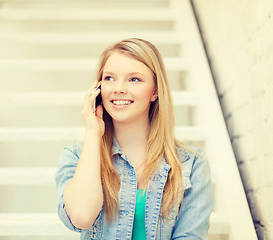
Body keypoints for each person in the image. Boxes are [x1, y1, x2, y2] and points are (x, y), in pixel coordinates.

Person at [55, 38, 214, 240]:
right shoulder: (77, 157)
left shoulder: (191, 165)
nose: (118, 88)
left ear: (155, 91)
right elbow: (81, 217)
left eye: (134, 79)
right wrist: (93, 133)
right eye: (109, 78)